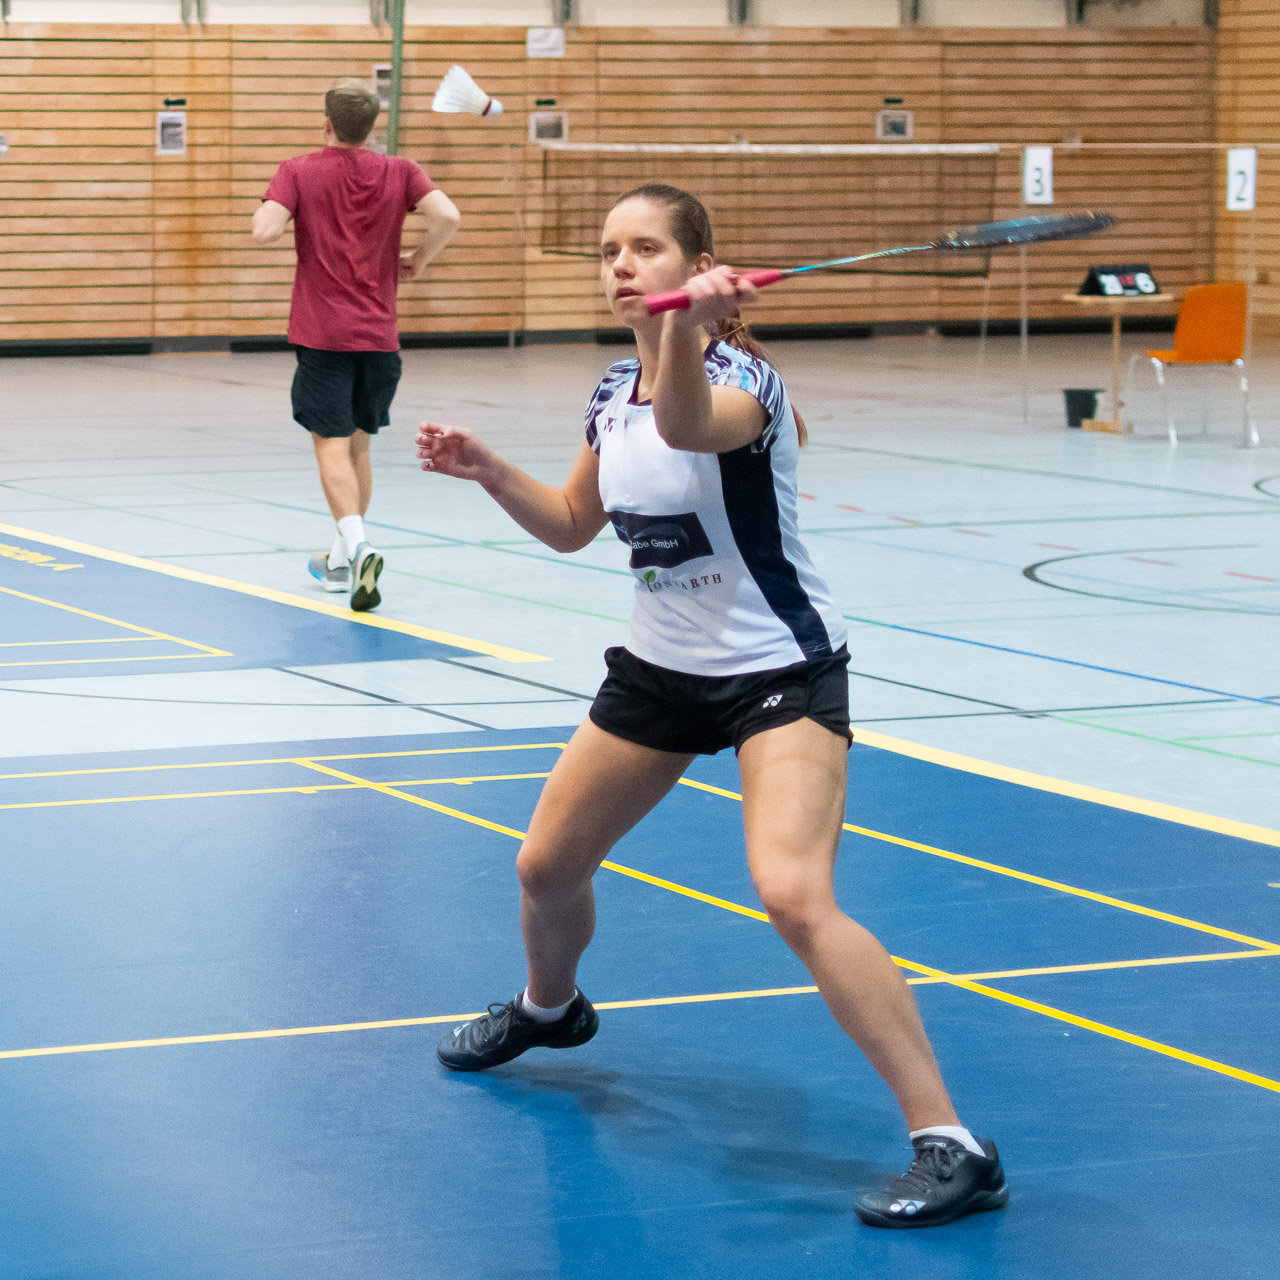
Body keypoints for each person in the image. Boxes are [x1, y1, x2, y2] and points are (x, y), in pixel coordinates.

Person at [414, 183, 1007, 1230]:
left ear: (694, 268)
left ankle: (952, 1143)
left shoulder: (744, 382)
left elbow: (689, 426)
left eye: (645, 248)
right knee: (545, 867)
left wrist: (685, 331)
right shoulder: (612, 388)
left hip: (777, 671)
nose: (620, 265)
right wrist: (487, 469)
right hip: (659, 670)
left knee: (793, 894)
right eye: (609, 250)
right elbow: (572, 522)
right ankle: (550, 1009)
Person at [253, 78, 461, 611]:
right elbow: (448, 216)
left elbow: (265, 231)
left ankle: (361, 546)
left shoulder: (298, 169)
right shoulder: (400, 171)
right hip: (380, 338)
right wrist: (420, 258)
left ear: (326, 123)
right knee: (359, 447)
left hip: (324, 337)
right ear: (372, 126)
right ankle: (340, 561)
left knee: (330, 445)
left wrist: (272, 212)